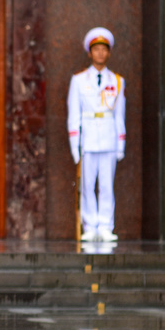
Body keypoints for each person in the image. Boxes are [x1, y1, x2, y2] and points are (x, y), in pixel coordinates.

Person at [67, 27, 126, 242]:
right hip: (88, 139)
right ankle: (90, 225)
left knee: (107, 185)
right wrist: (75, 145)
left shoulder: (117, 81)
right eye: (96, 49)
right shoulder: (79, 80)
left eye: (104, 49)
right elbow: (74, 115)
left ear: (109, 53)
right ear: (90, 53)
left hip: (109, 138)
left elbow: (119, 114)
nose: (100, 53)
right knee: (87, 185)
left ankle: (106, 226)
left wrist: (121, 143)